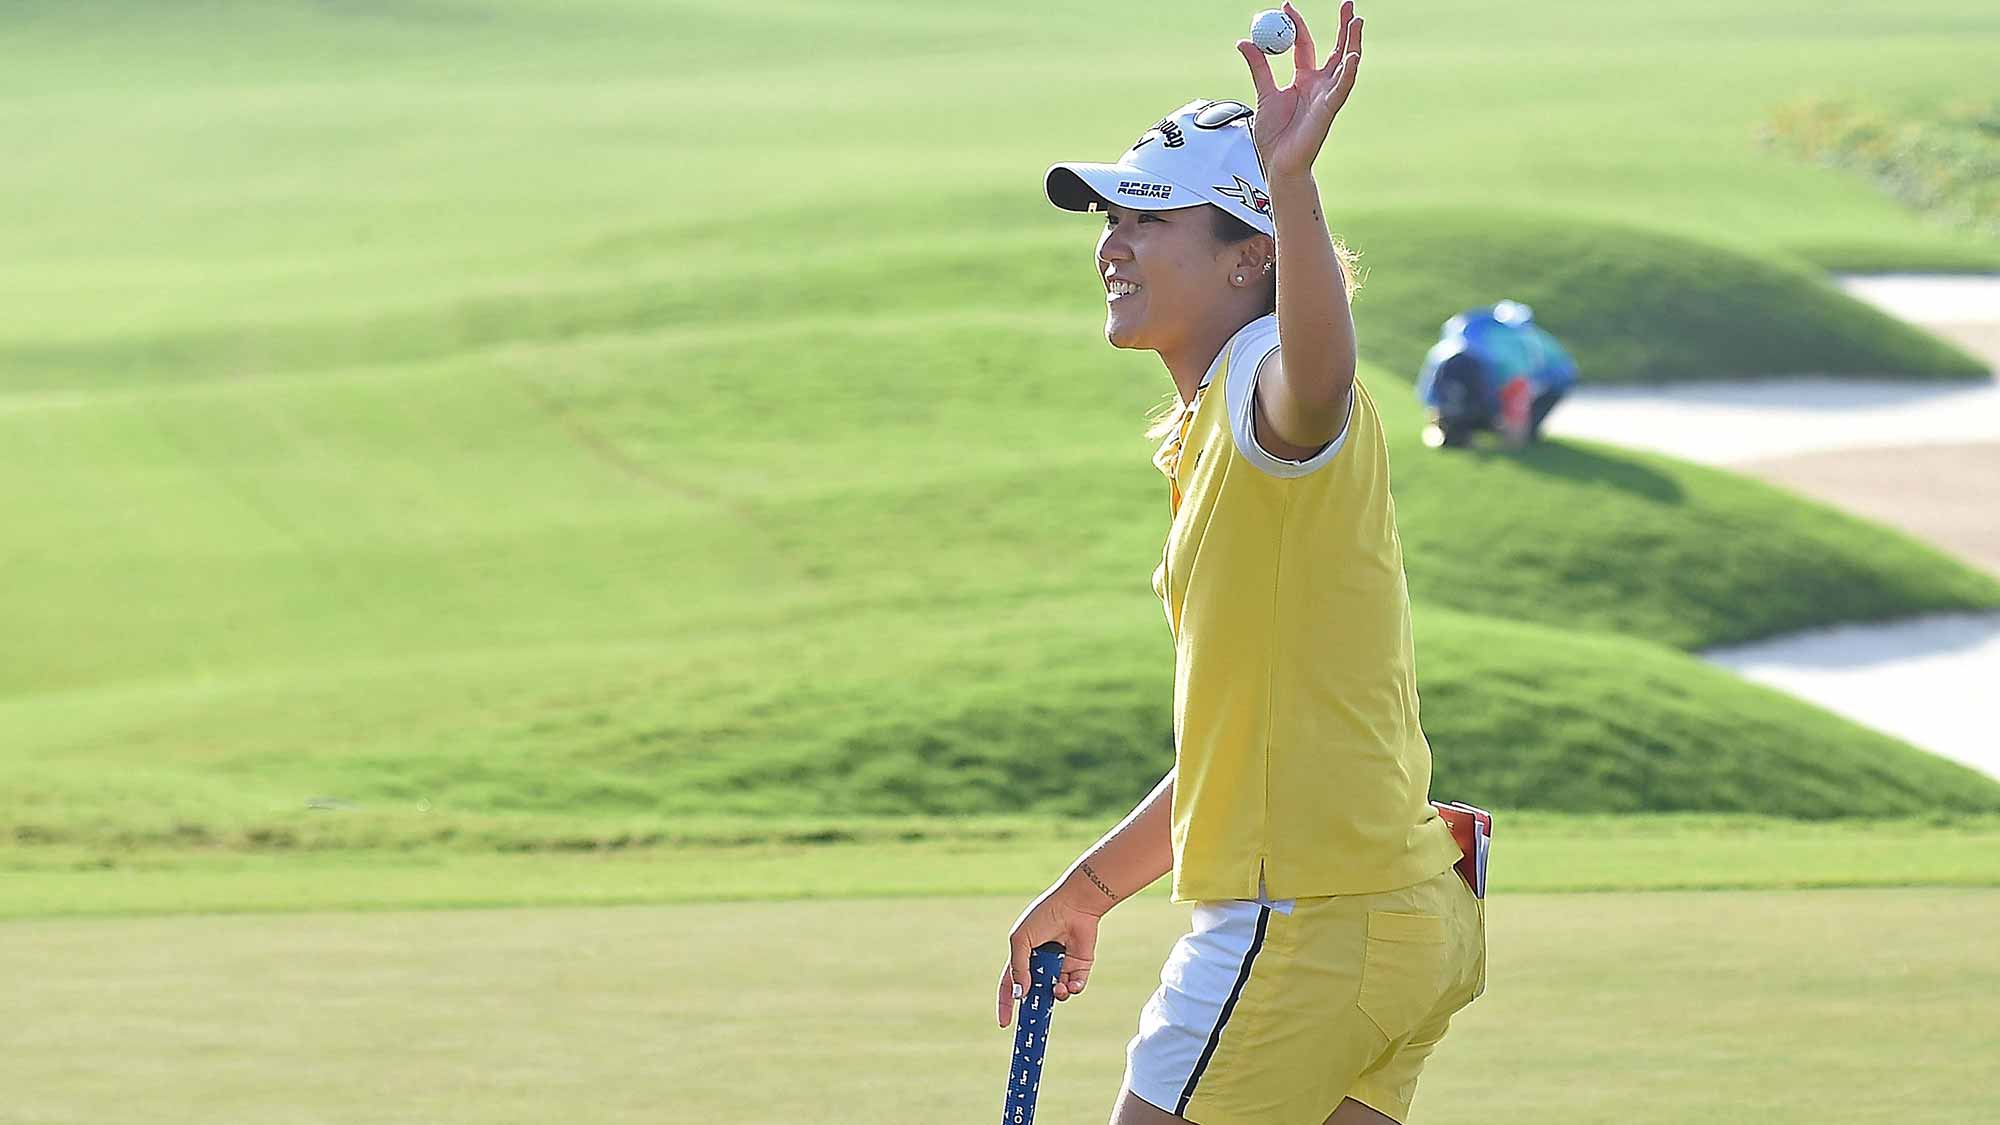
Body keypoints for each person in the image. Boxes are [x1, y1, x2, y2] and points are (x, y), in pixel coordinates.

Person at [997, 4, 1486, 1123]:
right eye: (1109, 216)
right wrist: (1089, 889)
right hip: (1399, 912)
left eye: (1150, 218)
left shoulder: (1273, 379)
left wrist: (1293, 181)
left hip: (1305, 920)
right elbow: (1242, 745)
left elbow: (1316, 380)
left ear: (1249, 258)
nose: (1111, 244)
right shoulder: (1211, 422)